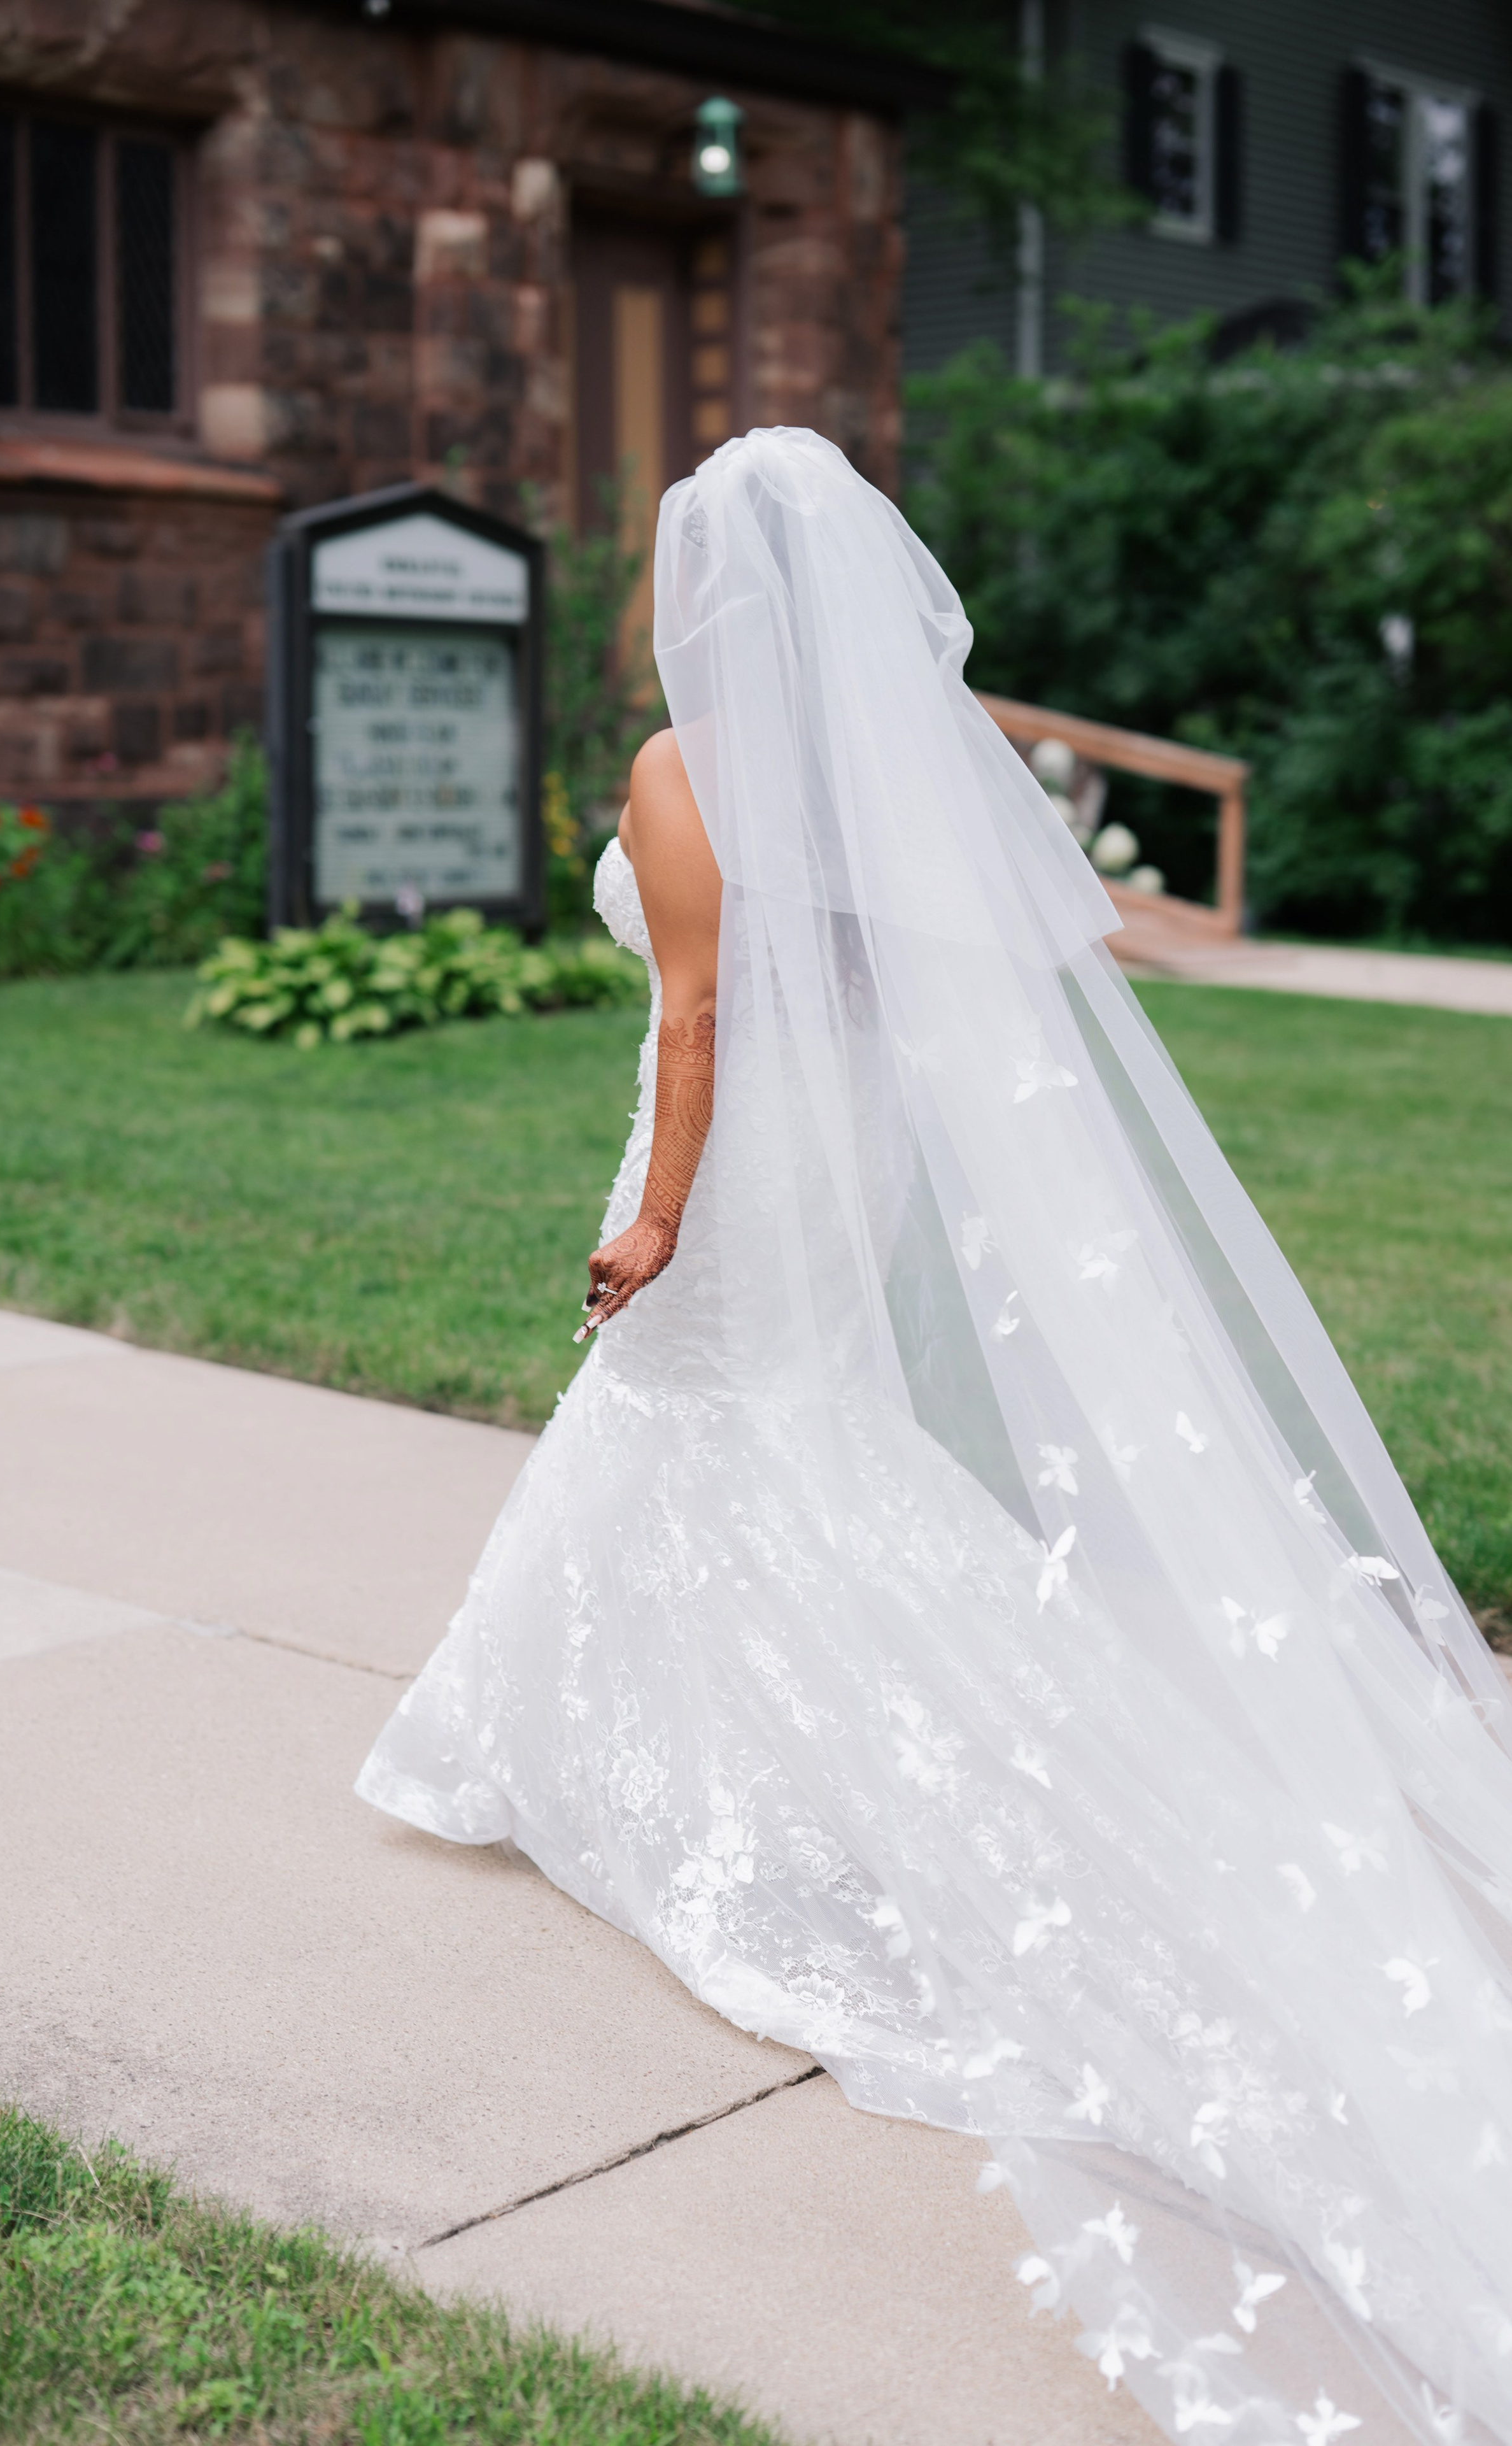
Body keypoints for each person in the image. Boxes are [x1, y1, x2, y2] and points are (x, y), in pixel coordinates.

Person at [360, 428, 1512, 2446]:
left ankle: (615, 1761)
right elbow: (1037, 940)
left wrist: (653, 1211)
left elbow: (696, 1022)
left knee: (695, 1412)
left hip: (728, 1155)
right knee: (775, 1430)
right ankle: (618, 1740)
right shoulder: (881, 764)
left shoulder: (688, 768)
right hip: (853, 1153)